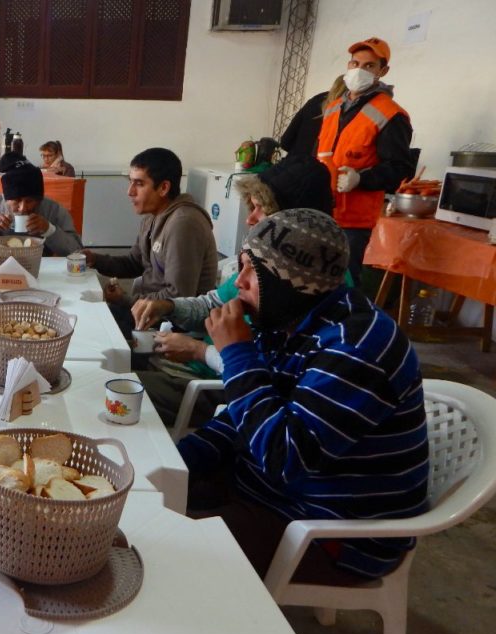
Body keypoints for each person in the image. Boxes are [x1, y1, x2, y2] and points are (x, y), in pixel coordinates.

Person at [179, 208, 429, 583]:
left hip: (327, 531)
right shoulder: (287, 320)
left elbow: (284, 456)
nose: (239, 282)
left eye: (252, 271)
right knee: (145, 497)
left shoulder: (359, 346)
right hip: (266, 492)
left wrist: (237, 355)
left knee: (166, 558)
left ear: (290, 284)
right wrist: (181, 459)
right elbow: (245, 415)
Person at [131, 155, 335, 426]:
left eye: (260, 209)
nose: (250, 219)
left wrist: (199, 351)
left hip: (219, 388)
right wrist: (170, 306)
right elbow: (213, 301)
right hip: (203, 372)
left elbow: (269, 380)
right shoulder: (258, 268)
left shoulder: (306, 291)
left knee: (111, 390)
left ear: (292, 226)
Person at [81, 147, 218, 342]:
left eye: (139, 184)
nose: (130, 192)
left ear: (163, 188)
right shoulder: (152, 217)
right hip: (146, 313)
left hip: (173, 327)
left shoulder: (184, 223)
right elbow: (134, 262)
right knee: (89, 317)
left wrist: (125, 300)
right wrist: (94, 259)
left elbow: (178, 297)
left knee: (93, 331)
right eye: (130, 182)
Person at [317, 37, 415, 287]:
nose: (359, 70)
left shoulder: (391, 115)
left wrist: (361, 178)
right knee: (314, 279)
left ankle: (346, 326)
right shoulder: (334, 108)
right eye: (354, 63)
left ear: (383, 71)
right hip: (320, 211)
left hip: (354, 221)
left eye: (369, 66)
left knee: (343, 285)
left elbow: (400, 170)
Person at [0, 154, 82, 256]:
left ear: (39, 199)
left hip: (40, 269)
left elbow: (77, 251)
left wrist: (49, 230)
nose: (23, 208)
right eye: (16, 201)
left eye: (30, 201)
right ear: (6, 198)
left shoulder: (52, 209)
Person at [279, 75, 347, 156]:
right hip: (319, 166)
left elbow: (285, 141)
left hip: (293, 164)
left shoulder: (316, 100)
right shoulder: (348, 113)